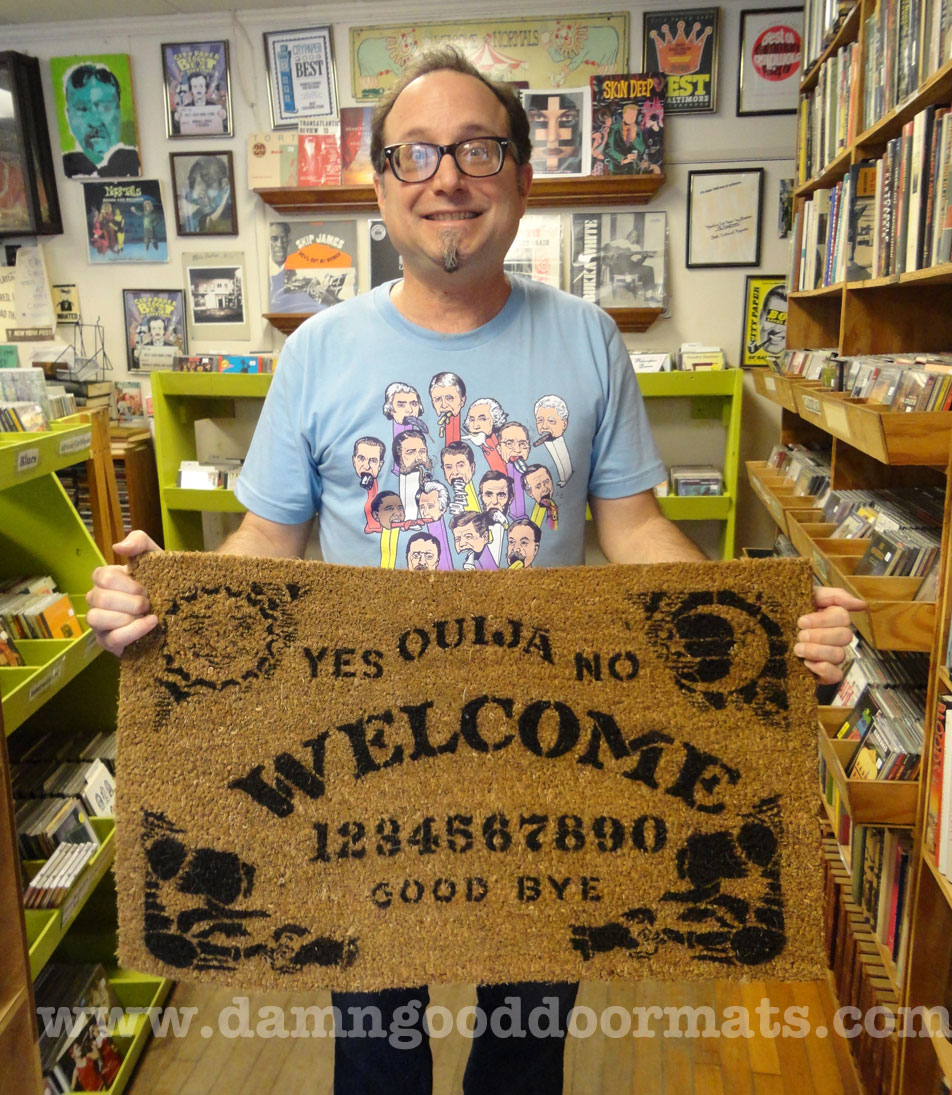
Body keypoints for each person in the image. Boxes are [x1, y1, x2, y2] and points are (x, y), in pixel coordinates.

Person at [86, 47, 864, 1095]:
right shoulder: (317, 351)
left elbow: (633, 535)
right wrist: (167, 606)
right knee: (375, 1047)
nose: (445, 176)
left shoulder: (589, 339)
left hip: (552, 765)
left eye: (476, 149)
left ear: (520, 179)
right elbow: (264, 550)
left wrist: (764, 627)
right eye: (415, 153)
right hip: (355, 770)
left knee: (525, 1047)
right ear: (380, 188)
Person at [62, 63, 140, 178]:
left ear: (120, 111)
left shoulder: (135, 161)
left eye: (105, 107)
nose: (94, 122)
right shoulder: (66, 167)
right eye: (82, 108)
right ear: (68, 115)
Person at [181, 156, 232, 233]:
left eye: (207, 184)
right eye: (193, 183)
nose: (194, 195)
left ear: (224, 184)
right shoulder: (196, 217)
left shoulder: (234, 216)